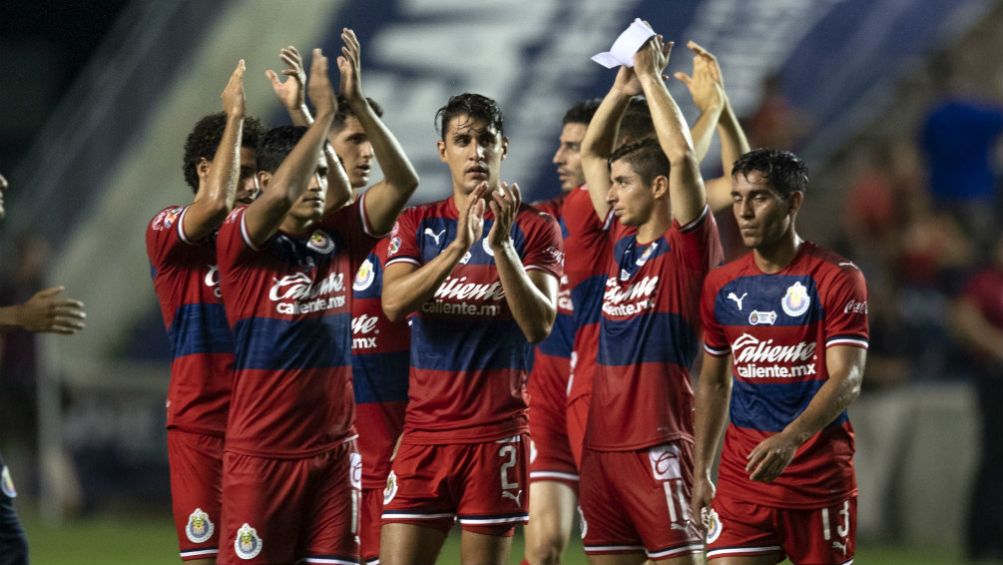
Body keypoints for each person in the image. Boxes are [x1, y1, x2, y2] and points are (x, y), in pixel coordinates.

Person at [379, 92, 563, 565]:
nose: (475, 151)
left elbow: (540, 324)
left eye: (486, 140)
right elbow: (395, 303)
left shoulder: (534, 229)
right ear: (444, 151)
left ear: (504, 148)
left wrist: (501, 248)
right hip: (423, 436)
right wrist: (458, 246)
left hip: (495, 437)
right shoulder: (416, 224)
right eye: (463, 140)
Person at [266, 30, 419, 564]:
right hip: (300, 455)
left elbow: (402, 183)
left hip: (382, 462)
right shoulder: (283, 243)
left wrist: (343, 109)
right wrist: (312, 116)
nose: (369, 152)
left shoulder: (383, 235)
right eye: (355, 140)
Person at [577, 33, 723, 564]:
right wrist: (620, 90)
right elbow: (593, 151)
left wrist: (654, 79)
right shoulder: (619, 238)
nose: (610, 194)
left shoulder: (686, 248)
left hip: (658, 442)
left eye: (622, 183)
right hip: (601, 449)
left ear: (658, 187)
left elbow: (682, 156)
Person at [692, 148, 869, 564]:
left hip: (817, 479)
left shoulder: (837, 278)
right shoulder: (721, 285)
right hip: (742, 480)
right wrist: (701, 470)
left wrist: (791, 438)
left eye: (759, 197)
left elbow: (847, 379)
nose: (745, 212)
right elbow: (714, 382)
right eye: (737, 198)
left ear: (793, 203)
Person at [145, 60, 264, 564]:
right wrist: (233, 117)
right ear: (204, 170)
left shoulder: (262, 241)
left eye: (258, 172)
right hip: (199, 428)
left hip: (261, 427)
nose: (254, 185)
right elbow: (213, 207)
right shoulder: (167, 233)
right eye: (242, 170)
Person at [521, 97, 598, 565]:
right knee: (545, 545)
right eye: (561, 145)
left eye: (574, 147)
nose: (559, 157)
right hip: (547, 403)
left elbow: (717, 190)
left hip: (609, 406)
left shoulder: (638, 225)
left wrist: (715, 117)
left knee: (627, 547)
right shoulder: (540, 220)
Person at [0, 171, 87, 565]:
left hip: (27, 381)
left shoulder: (20, 281)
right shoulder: (12, 288)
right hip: (17, 382)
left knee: (11, 545)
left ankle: (66, 501)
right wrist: (19, 315)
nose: (3, 187)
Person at [950, 232, 1003, 561]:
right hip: (995, 379)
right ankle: (984, 536)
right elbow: (964, 319)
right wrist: (999, 347)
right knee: (995, 457)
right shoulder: (985, 283)